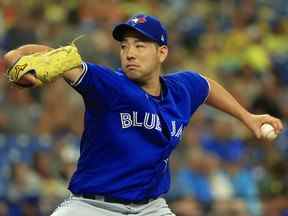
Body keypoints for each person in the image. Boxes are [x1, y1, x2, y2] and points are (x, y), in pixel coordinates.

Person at [3, 14, 283, 216]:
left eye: (140, 45)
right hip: (91, 207)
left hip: (151, 208)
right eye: (124, 46)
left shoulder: (181, 89)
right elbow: (63, 59)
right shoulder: (109, 85)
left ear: (162, 53)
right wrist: (17, 55)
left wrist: (249, 117)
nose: (129, 54)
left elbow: (207, 86)